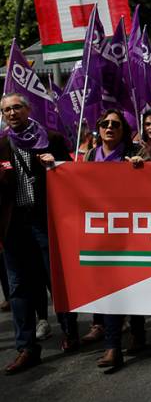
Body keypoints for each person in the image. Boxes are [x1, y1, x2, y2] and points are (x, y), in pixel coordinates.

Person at [0, 93, 78, 374]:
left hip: (45, 221)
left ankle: (70, 331)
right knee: (19, 286)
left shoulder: (51, 139)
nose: (12, 113)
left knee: (54, 278)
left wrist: (55, 165)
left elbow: (73, 176)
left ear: (28, 109)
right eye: (6, 109)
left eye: (16, 107)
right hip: (13, 226)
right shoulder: (1, 145)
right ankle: (26, 348)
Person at [84, 109, 148, 370]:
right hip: (101, 229)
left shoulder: (135, 154)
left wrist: (140, 168)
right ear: (98, 128)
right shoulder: (89, 156)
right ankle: (113, 346)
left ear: (124, 130)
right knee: (110, 285)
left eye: (116, 124)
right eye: (105, 124)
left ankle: (138, 329)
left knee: (132, 282)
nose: (109, 127)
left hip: (131, 228)